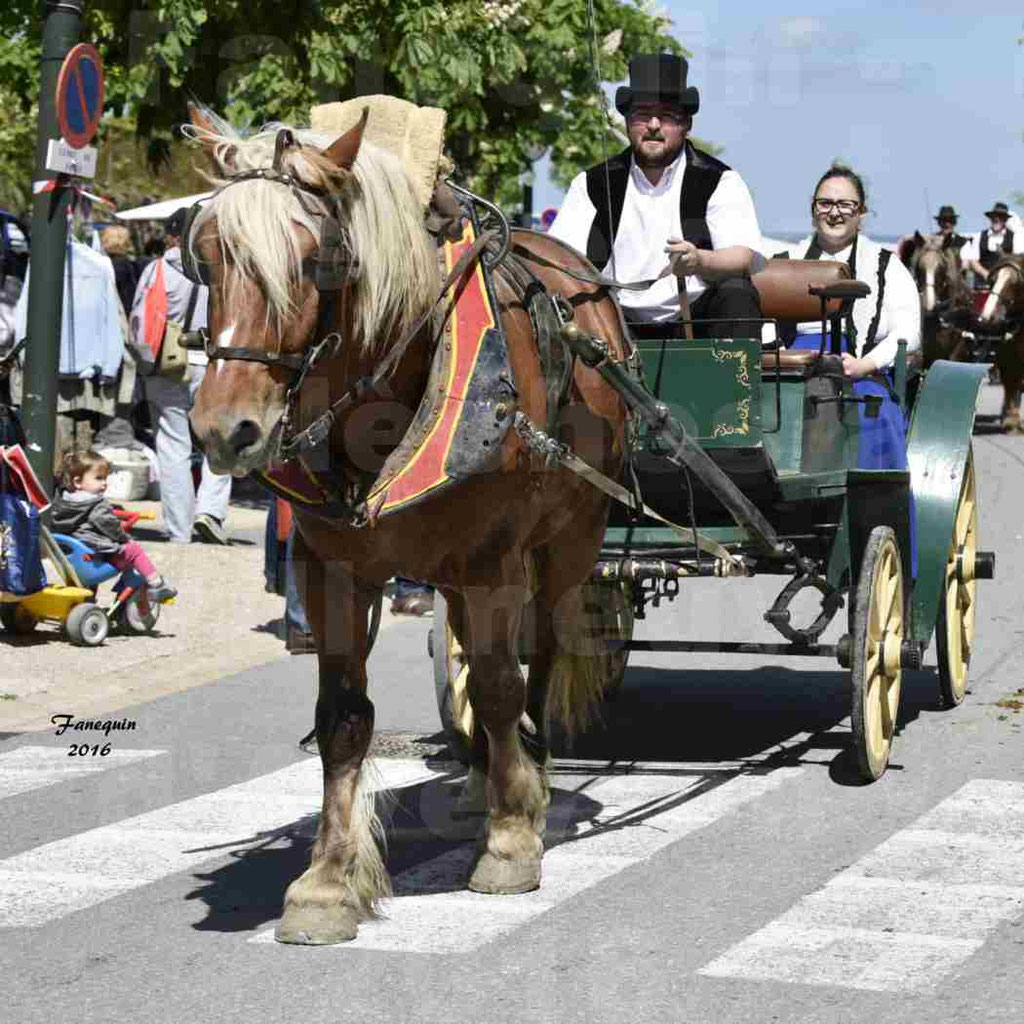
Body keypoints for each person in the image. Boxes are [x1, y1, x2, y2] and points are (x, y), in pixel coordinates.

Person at [548, 53, 763, 336]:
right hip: (614, 324)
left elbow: (742, 255)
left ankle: (733, 380)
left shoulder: (720, 180)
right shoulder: (591, 183)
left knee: (737, 292)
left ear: (686, 124)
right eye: (642, 115)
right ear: (626, 123)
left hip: (696, 319)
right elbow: (556, 256)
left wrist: (699, 260)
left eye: (666, 116)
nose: (653, 125)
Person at [774, 164, 921, 471]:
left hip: (859, 367)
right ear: (813, 209)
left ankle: (874, 514)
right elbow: (762, 323)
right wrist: (781, 357)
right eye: (825, 203)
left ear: (861, 212)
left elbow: (908, 331)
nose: (834, 213)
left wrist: (865, 365)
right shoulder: (785, 261)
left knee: (873, 414)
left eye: (845, 204)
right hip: (791, 366)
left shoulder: (887, 265)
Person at [130, 207, 231, 545]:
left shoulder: (157, 269)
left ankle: (179, 530)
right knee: (219, 441)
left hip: (168, 366)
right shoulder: (222, 270)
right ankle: (210, 512)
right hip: (214, 362)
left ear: (173, 236)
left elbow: (139, 323)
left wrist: (146, 367)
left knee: (174, 446)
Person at [50, 450, 177, 603]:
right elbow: (109, 526)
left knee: (95, 547)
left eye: (105, 478)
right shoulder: (97, 504)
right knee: (133, 549)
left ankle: (86, 600)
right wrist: (123, 536)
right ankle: (157, 585)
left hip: (70, 558)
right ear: (78, 482)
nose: (104, 483)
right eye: (98, 478)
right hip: (95, 559)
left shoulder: (62, 501)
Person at [963, 202, 1024, 283]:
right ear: (990, 218)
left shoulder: (1014, 238)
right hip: (982, 284)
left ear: (1005, 220)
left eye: (1000, 217)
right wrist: (985, 273)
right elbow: (973, 260)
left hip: (1005, 284)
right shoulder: (979, 236)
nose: (997, 219)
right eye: (994, 216)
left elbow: (1016, 261)